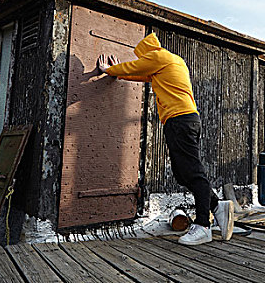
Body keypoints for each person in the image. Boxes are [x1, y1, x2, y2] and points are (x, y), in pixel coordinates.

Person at [97, 32, 234, 245]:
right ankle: (216, 205)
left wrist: (109, 70)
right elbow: (140, 75)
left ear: (146, 52)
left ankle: (203, 226)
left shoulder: (158, 57)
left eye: (142, 57)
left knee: (193, 173)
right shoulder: (171, 61)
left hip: (180, 120)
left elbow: (134, 68)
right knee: (183, 173)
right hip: (184, 120)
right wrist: (117, 73)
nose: (142, 60)